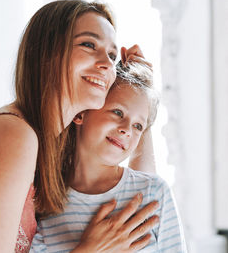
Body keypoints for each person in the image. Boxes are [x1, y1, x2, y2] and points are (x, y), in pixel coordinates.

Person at [0, 0, 159, 252]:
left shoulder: (47, 145)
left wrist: (142, 98)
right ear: (47, 53)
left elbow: (139, 197)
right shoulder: (13, 135)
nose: (107, 65)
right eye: (88, 44)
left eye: (112, 55)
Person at [31, 62, 187, 252]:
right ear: (81, 113)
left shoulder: (154, 192)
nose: (127, 130)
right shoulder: (43, 199)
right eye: (118, 112)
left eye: (138, 126)